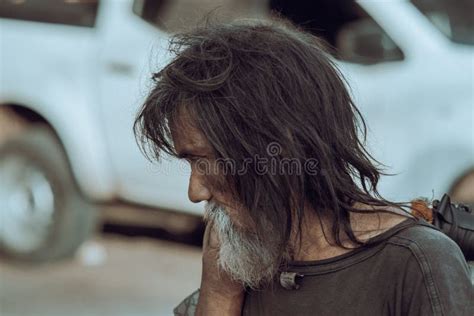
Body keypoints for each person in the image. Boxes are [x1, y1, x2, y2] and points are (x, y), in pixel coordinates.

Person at [133, 18, 473, 316]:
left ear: (282, 147)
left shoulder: (415, 262)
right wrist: (219, 293)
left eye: (206, 161)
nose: (195, 192)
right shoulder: (239, 257)